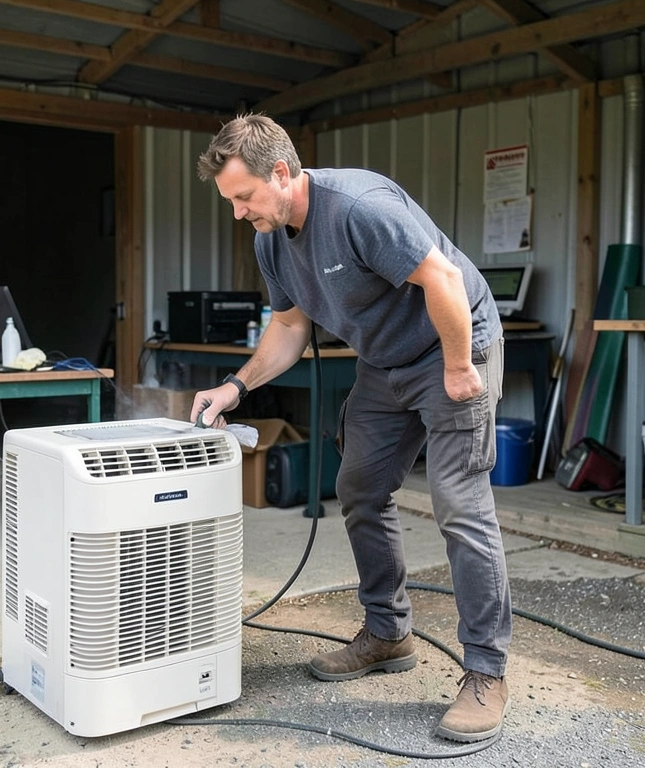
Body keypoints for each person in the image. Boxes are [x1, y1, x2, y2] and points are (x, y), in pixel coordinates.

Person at [191, 114, 512, 743]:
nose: (238, 213)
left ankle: (485, 671)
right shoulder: (270, 237)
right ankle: (388, 633)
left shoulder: (359, 206)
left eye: (244, 197)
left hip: (453, 346)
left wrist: (456, 367)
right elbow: (288, 330)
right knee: (359, 489)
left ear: (281, 173)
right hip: (384, 364)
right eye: (230, 201)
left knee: (459, 504)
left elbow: (442, 278)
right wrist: (236, 388)